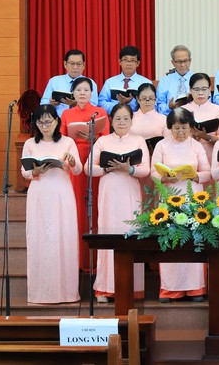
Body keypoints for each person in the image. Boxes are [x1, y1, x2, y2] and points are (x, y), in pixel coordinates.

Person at [87, 104, 150, 302]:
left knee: (131, 233)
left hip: (130, 192)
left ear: (132, 121)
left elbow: (146, 170)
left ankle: (133, 288)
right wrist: (107, 169)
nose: (122, 122)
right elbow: (88, 168)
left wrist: (129, 169)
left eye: (126, 119)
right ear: (111, 121)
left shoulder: (139, 141)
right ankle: (105, 288)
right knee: (108, 235)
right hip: (109, 193)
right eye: (118, 119)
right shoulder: (102, 141)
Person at [21, 104, 82, 304]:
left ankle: (67, 293)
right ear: (35, 124)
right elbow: (25, 172)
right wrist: (35, 171)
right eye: (41, 122)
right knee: (39, 239)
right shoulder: (30, 143)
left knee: (63, 238)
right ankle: (40, 293)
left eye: (49, 121)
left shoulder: (67, 142)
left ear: (57, 121)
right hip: (39, 194)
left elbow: (78, 170)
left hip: (61, 194)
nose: (45, 125)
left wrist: (72, 162)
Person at [151, 108, 211, 302]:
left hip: (193, 197)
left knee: (193, 239)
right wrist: (165, 177)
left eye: (184, 128)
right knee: (171, 239)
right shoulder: (161, 145)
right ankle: (170, 288)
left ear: (191, 127)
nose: (180, 132)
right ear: (170, 128)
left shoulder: (196, 146)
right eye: (176, 128)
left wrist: (194, 175)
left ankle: (195, 288)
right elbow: (153, 172)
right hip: (170, 197)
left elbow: (207, 173)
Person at [60, 76, 110, 272]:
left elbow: (107, 140)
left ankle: (96, 261)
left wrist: (93, 137)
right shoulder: (66, 113)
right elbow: (61, 139)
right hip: (74, 160)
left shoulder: (100, 112)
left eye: (86, 90)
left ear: (92, 93)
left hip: (94, 158)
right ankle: (78, 260)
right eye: (78, 90)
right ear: (73, 93)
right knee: (76, 207)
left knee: (95, 204)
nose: (82, 93)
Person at [182, 73, 219, 162]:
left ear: (210, 89)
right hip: (187, 155)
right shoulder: (182, 110)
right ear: (190, 90)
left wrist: (206, 137)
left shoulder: (218, 110)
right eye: (196, 89)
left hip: (211, 154)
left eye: (204, 89)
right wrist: (192, 135)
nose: (200, 93)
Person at [40, 49, 99, 117]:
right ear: (65, 64)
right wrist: (50, 103)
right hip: (58, 120)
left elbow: (94, 105)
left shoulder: (90, 83)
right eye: (72, 63)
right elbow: (43, 104)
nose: (75, 67)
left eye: (79, 64)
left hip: (83, 119)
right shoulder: (54, 81)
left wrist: (77, 104)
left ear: (83, 65)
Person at [98, 45, 152, 114]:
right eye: (125, 60)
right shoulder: (110, 82)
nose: (129, 64)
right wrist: (118, 105)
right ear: (120, 62)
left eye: (132, 60)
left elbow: (152, 105)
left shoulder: (146, 83)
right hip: (115, 118)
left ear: (138, 63)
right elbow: (101, 103)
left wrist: (132, 102)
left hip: (138, 118)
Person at [156, 45, 194, 115]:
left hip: (194, 116)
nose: (183, 65)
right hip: (170, 117)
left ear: (190, 61)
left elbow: (207, 102)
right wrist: (169, 107)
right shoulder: (164, 81)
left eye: (185, 61)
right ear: (173, 62)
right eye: (179, 61)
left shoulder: (197, 80)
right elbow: (159, 106)